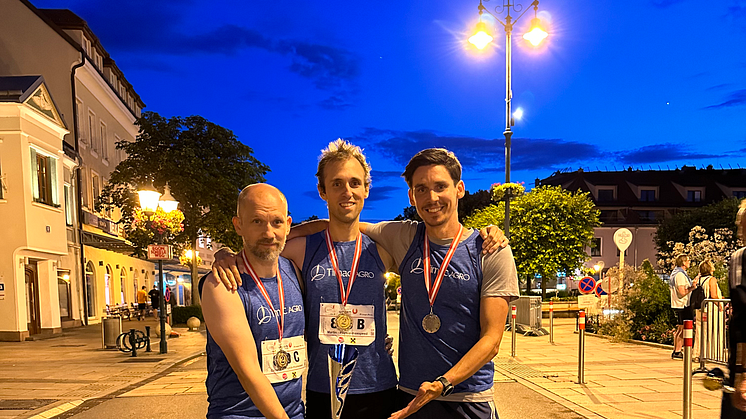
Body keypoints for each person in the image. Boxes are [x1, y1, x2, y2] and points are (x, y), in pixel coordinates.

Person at [212, 143, 507, 419]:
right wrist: (224, 254)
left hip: (379, 387)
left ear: (366, 189)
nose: (347, 192)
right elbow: (263, 248)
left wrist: (488, 231)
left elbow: (438, 248)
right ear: (322, 191)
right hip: (321, 388)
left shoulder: (384, 247)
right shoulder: (303, 249)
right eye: (337, 184)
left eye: (355, 183)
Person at [200, 184, 305, 419]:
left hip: (293, 412)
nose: (268, 233)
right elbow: (248, 373)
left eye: (277, 222)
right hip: (239, 414)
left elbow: (328, 229)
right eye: (257, 221)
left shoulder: (294, 272)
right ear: (239, 225)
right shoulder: (221, 284)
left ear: (288, 225)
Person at [722, 198, 746, 417]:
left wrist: (741, 374)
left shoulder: (739, 259)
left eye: (742, 226)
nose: (739, 232)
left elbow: (743, 318)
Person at [693, 260, 724, 362]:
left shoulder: (699, 280)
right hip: (710, 309)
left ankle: (697, 353)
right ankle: (711, 354)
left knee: (700, 331)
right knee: (712, 331)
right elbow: (714, 295)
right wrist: (719, 304)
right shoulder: (711, 279)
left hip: (700, 308)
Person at [669, 254, 697, 359]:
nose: (689, 262)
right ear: (683, 263)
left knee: (680, 328)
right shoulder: (680, 275)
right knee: (683, 329)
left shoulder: (676, 273)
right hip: (683, 304)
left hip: (679, 304)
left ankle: (676, 350)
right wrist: (692, 288)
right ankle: (677, 351)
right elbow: (681, 292)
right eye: (688, 261)